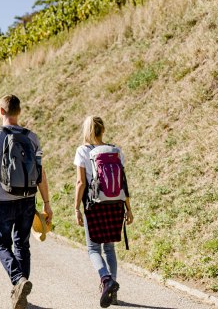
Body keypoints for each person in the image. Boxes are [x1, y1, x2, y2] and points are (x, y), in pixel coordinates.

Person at [0, 95, 53, 309]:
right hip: (28, 199)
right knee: (22, 243)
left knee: (1, 243)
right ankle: (21, 289)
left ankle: (19, 281)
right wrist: (47, 203)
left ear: (1, 111)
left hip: (3, 201)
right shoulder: (32, 137)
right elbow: (41, 174)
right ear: (19, 112)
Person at [74, 116, 134, 308]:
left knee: (93, 248)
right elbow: (123, 182)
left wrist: (76, 207)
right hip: (115, 204)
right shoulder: (116, 151)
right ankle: (113, 290)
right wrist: (128, 208)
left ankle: (106, 280)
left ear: (87, 130)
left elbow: (81, 183)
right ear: (103, 130)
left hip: (94, 205)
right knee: (109, 248)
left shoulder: (83, 150)